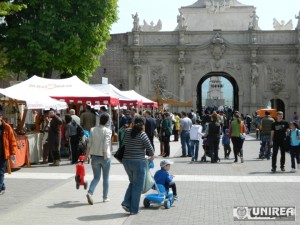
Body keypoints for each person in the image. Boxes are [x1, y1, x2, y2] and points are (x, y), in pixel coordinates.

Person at [121, 117, 154, 215]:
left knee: (133, 183)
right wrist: (151, 156)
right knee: (137, 186)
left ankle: (126, 203)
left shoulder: (127, 132)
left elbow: (123, 144)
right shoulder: (142, 134)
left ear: (133, 122)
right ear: (143, 124)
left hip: (126, 161)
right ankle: (134, 209)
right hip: (138, 162)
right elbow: (151, 150)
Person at [86, 113, 112, 204]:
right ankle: (105, 197)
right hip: (105, 157)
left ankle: (90, 192)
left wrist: (86, 156)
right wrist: (105, 153)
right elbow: (106, 143)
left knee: (96, 177)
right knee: (106, 178)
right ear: (107, 121)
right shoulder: (108, 131)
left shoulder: (92, 130)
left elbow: (89, 144)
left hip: (95, 156)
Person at [0, 114, 17, 195]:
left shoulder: (7, 127)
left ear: (1, 118)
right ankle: (2, 186)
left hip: (4, 154)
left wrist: (13, 153)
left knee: (1, 172)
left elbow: (12, 141)